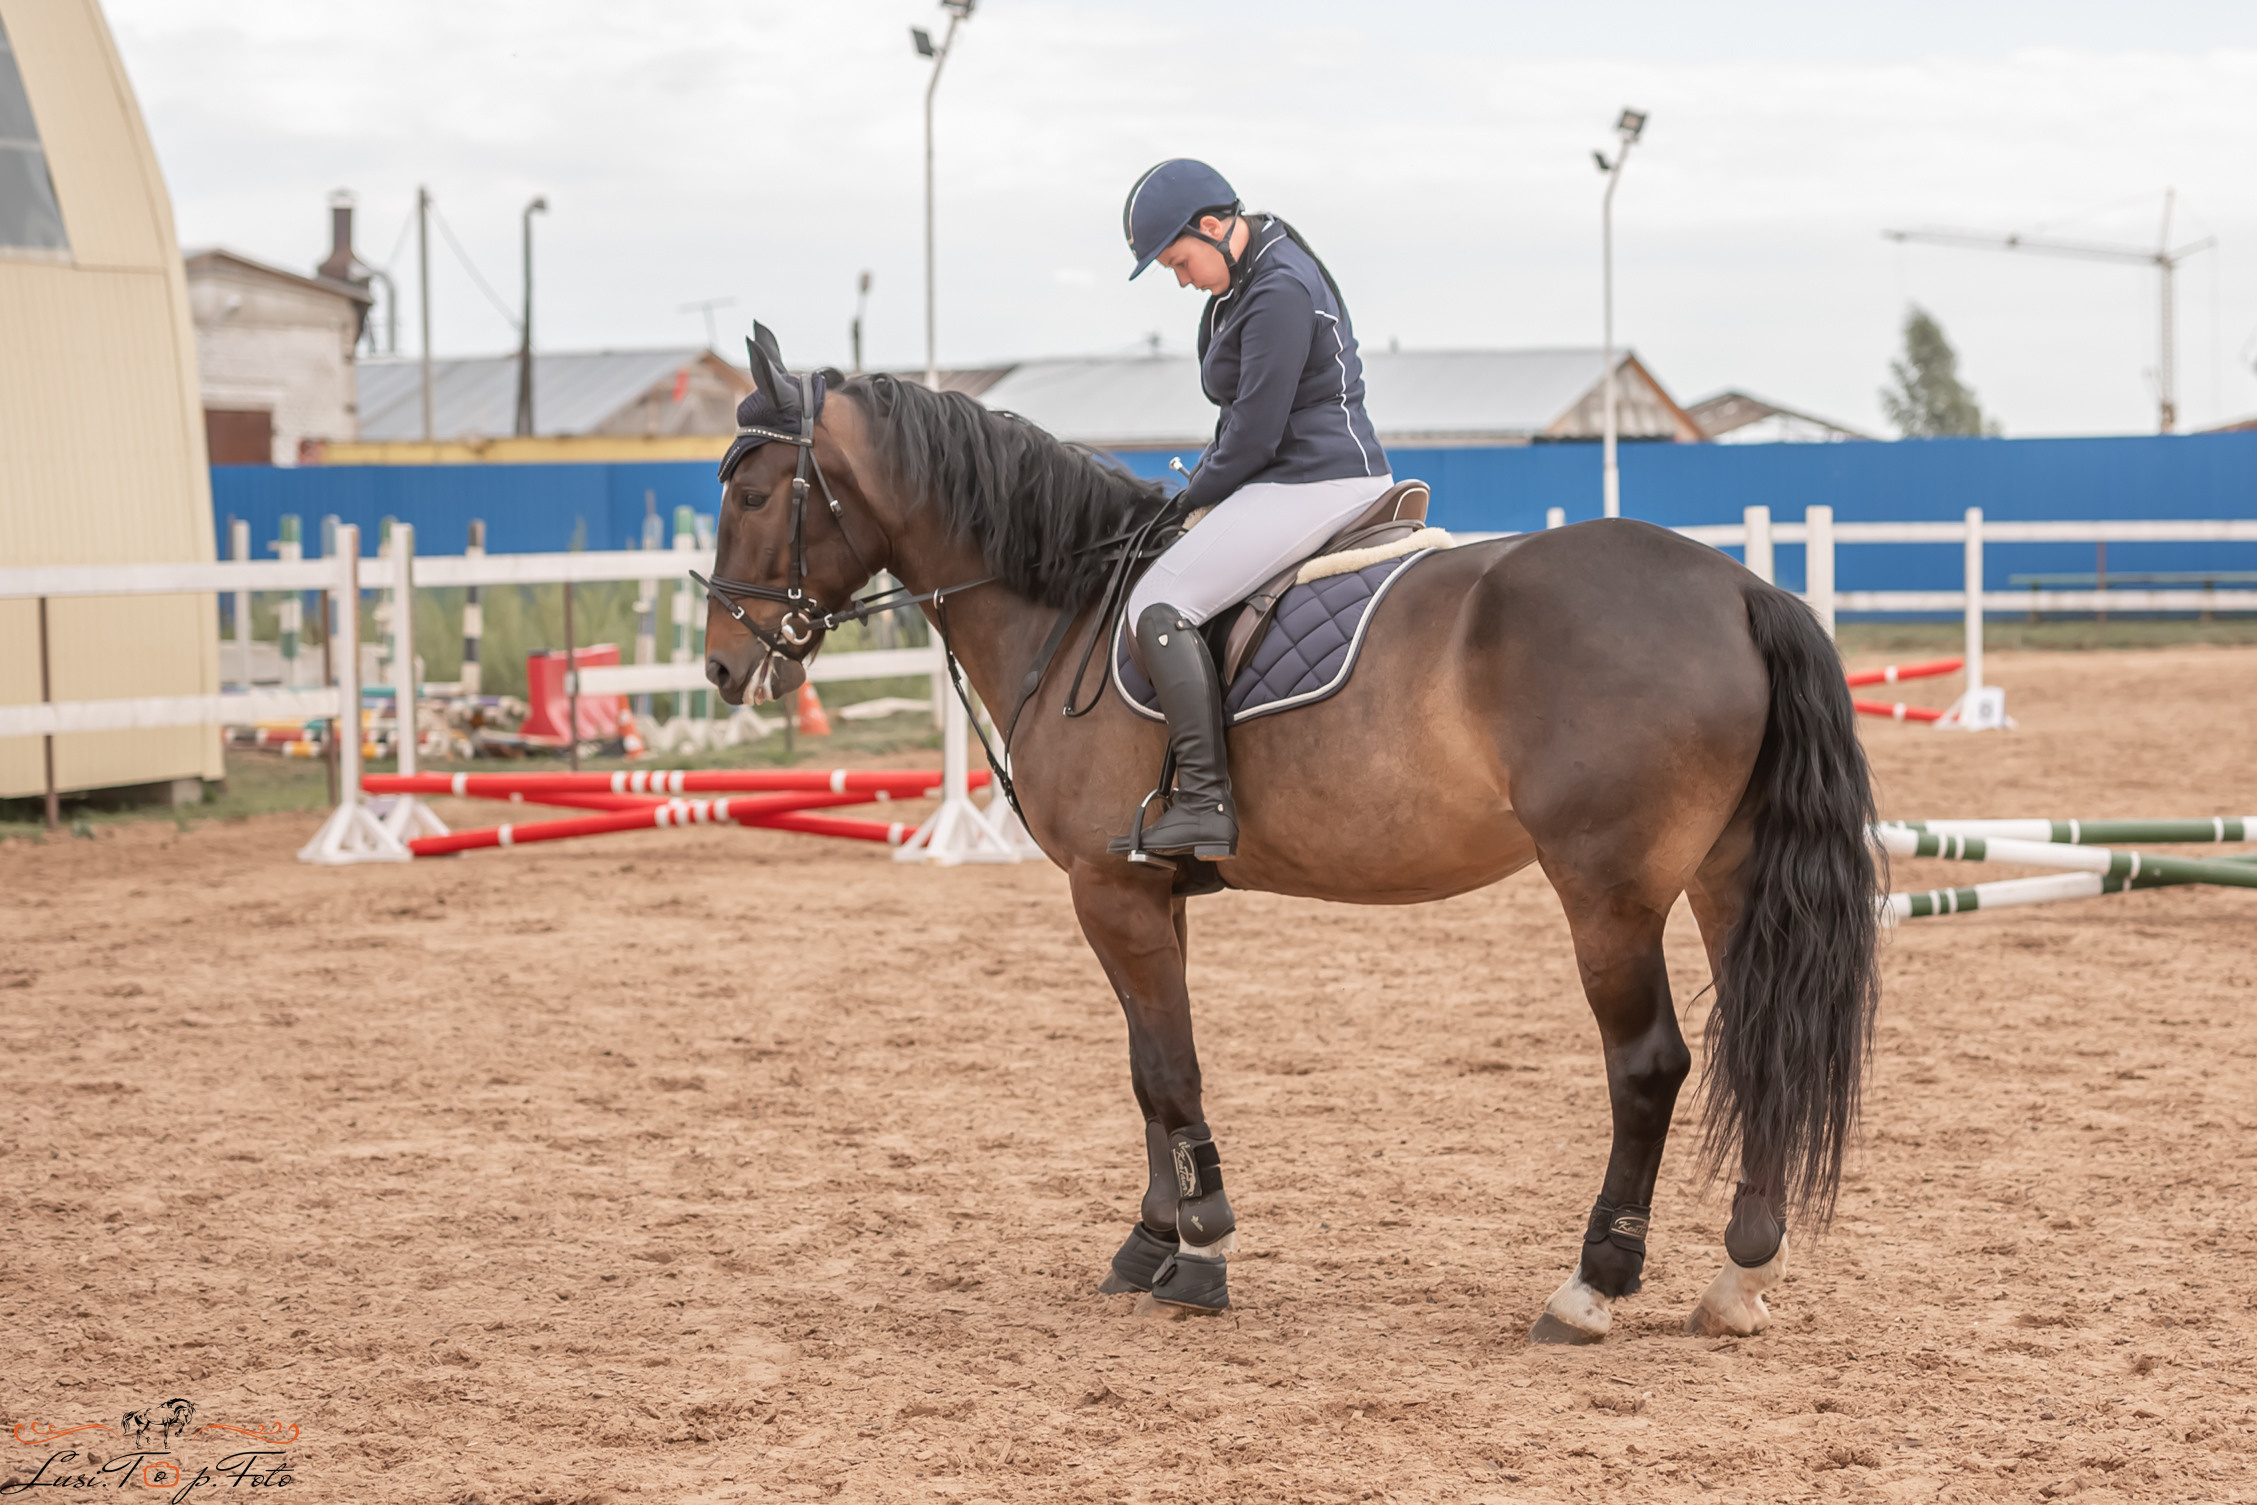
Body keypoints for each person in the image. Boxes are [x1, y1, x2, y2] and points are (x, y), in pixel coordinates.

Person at [1117, 158, 1392, 859]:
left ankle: (1205, 800)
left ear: (1212, 226)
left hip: (1312, 478)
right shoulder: (1244, 281)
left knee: (1159, 605)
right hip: (1284, 475)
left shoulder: (1277, 288)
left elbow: (1254, 433)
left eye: (1179, 261)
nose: (1179, 278)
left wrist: (1188, 498)